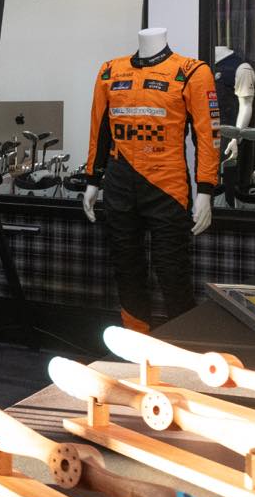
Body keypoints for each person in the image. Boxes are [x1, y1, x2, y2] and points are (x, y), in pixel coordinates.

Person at [82, 27, 219, 332]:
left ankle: (184, 345)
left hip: (167, 186)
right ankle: (137, 343)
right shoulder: (110, 71)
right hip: (119, 182)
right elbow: (99, 128)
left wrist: (206, 190)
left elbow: (207, 135)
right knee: (126, 268)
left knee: (172, 271)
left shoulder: (192, 71)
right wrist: (93, 179)